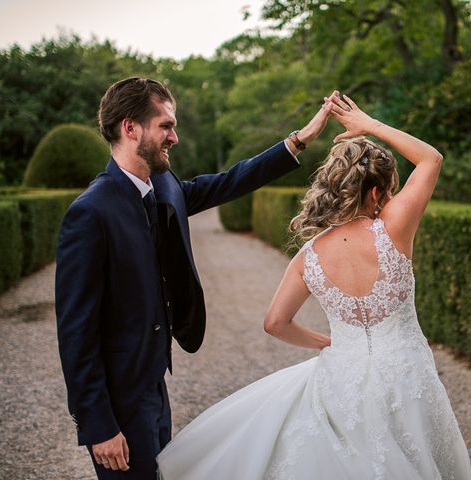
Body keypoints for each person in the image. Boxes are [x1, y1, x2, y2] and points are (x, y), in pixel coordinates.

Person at [156, 94, 471, 479]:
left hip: (343, 373)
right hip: (409, 374)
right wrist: (368, 124)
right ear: (376, 193)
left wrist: (329, 342)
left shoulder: (308, 257)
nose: (390, 197)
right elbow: (431, 158)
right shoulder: (394, 228)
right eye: (388, 190)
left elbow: (275, 322)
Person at [55, 77, 334, 480]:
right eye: (165, 125)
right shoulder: (90, 213)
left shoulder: (164, 186)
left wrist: (299, 140)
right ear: (130, 128)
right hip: (119, 399)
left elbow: (228, 182)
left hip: (154, 385)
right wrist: (99, 426)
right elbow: (75, 331)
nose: (175, 136)